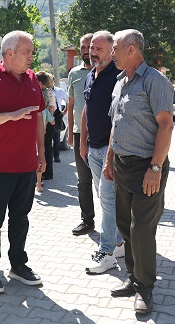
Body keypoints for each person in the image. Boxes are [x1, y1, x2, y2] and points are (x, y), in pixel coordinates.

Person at [0, 30, 46, 294]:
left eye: (32, 52)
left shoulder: (33, 79)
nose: (31, 56)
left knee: (20, 218)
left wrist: (42, 154)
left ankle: (18, 264)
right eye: (27, 52)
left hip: (26, 164)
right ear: (10, 53)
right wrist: (10, 116)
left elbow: (38, 119)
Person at [105, 29, 173, 314]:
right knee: (125, 225)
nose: (112, 52)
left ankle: (145, 288)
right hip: (122, 165)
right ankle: (133, 278)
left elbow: (166, 125)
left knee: (142, 228)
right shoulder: (120, 81)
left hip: (148, 166)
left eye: (116, 47)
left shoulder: (155, 81)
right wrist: (110, 160)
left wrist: (155, 168)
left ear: (132, 49)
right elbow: (115, 125)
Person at [80, 31, 124, 275]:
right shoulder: (90, 75)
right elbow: (87, 109)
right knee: (105, 199)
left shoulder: (118, 77)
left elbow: (120, 118)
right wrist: (82, 142)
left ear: (111, 51)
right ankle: (118, 242)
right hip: (93, 147)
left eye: (98, 49)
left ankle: (106, 252)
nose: (93, 52)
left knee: (108, 201)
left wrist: (111, 153)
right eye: (91, 48)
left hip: (111, 149)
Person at [68, 33, 95, 236]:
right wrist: (70, 133)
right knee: (83, 180)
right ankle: (87, 220)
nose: (86, 50)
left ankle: (113, 225)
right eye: (83, 47)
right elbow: (71, 106)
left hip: (103, 135)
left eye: (90, 46)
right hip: (79, 134)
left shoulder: (109, 71)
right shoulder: (74, 74)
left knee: (107, 182)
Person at [35, 71, 56, 192]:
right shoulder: (49, 92)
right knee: (44, 149)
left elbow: (50, 108)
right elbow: (52, 109)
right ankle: (42, 177)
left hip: (43, 122)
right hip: (46, 122)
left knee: (42, 150)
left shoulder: (44, 93)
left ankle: (41, 177)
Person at [52, 80, 68, 158]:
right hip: (46, 117)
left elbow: (68, 101)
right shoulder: (43, 91)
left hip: (57, 116)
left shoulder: (59, 91)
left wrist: (64, 112)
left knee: (56, 138)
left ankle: (56, 157)